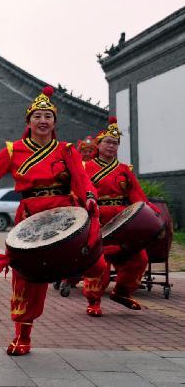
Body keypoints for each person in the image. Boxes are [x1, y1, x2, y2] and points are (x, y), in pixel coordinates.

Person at [0, 86, 105, 353]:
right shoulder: (14, 150)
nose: (43, 120)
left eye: (48, 116)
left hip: (62, 214)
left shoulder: (66, 150)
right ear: (28, 121)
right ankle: (22, 335)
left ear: (54, 122)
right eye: (38, 116)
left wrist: (89, 196)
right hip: (29, 218)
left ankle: (90, 292)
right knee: (26, 277)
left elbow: (81, 179)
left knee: (93, 261)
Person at [81, 117, 153, 312]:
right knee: (99, 262)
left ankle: (122, 292)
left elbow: (138, 195)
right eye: (108, 142)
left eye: (115, 143)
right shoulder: (85, 167)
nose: (112, 146)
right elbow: (78, 192)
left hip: (122, 220)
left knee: (139, 258)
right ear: (98, 144)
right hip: (97, 217)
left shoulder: (124, 170)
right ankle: (93, 301)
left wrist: (152, 215)